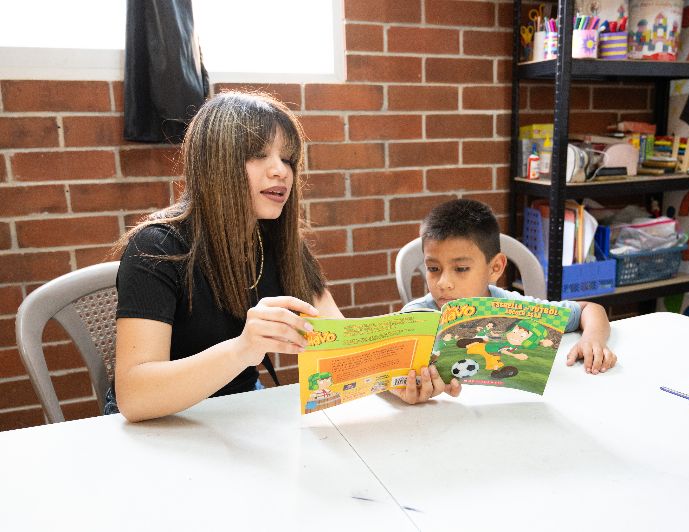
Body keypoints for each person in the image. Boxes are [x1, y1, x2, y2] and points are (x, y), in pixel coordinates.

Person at [112, 91, 457, 422]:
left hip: (241, 414)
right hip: (159, 425)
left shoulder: (279, 242)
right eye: (259, 155)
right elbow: (135, 395)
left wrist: (398, 382)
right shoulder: (155, 247)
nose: (281, 171)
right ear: (214, 163)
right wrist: (243, 349)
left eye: (288, 158)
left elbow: (343, 342)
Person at [402, 199, 617, 374]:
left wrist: (592, 339)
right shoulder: (414, 317)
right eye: (433, 268)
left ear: (495, 267)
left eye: (461, 269)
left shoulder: (514, 309)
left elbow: (590, 309)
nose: (443, 283)